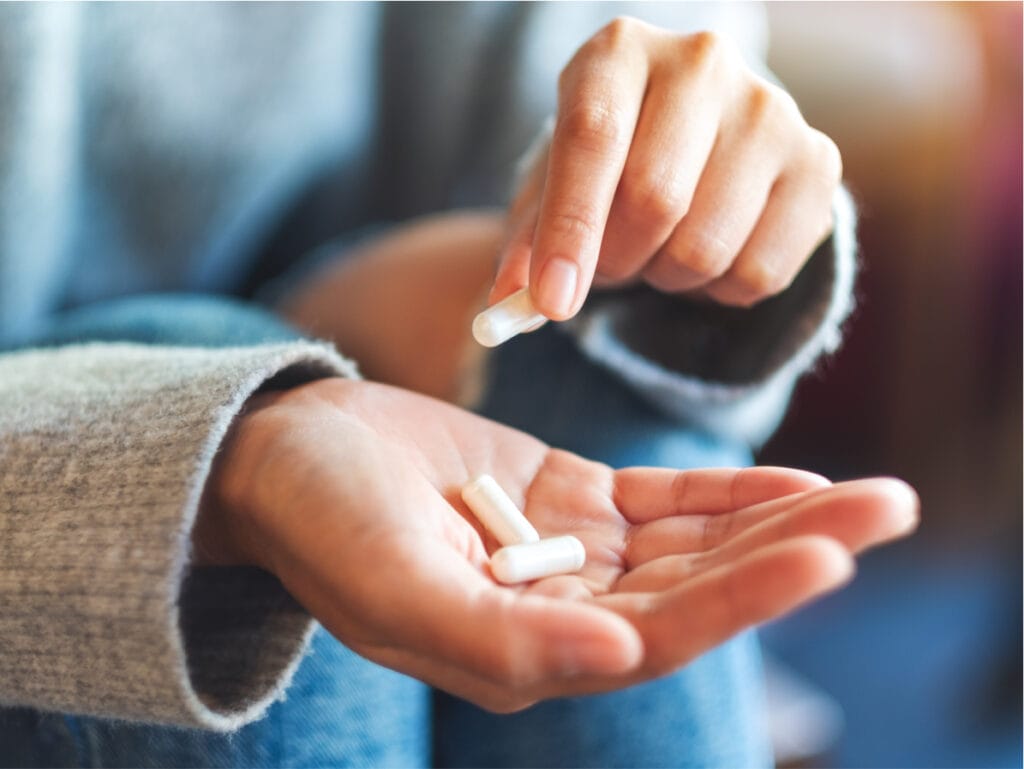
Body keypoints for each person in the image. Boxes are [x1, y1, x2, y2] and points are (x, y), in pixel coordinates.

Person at [0, 4, 917, 767]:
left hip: (364, 315)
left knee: (601, 386)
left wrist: (698, 220)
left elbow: (541, 264)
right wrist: (217, 469)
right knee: (265, 574)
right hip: (40, 471)